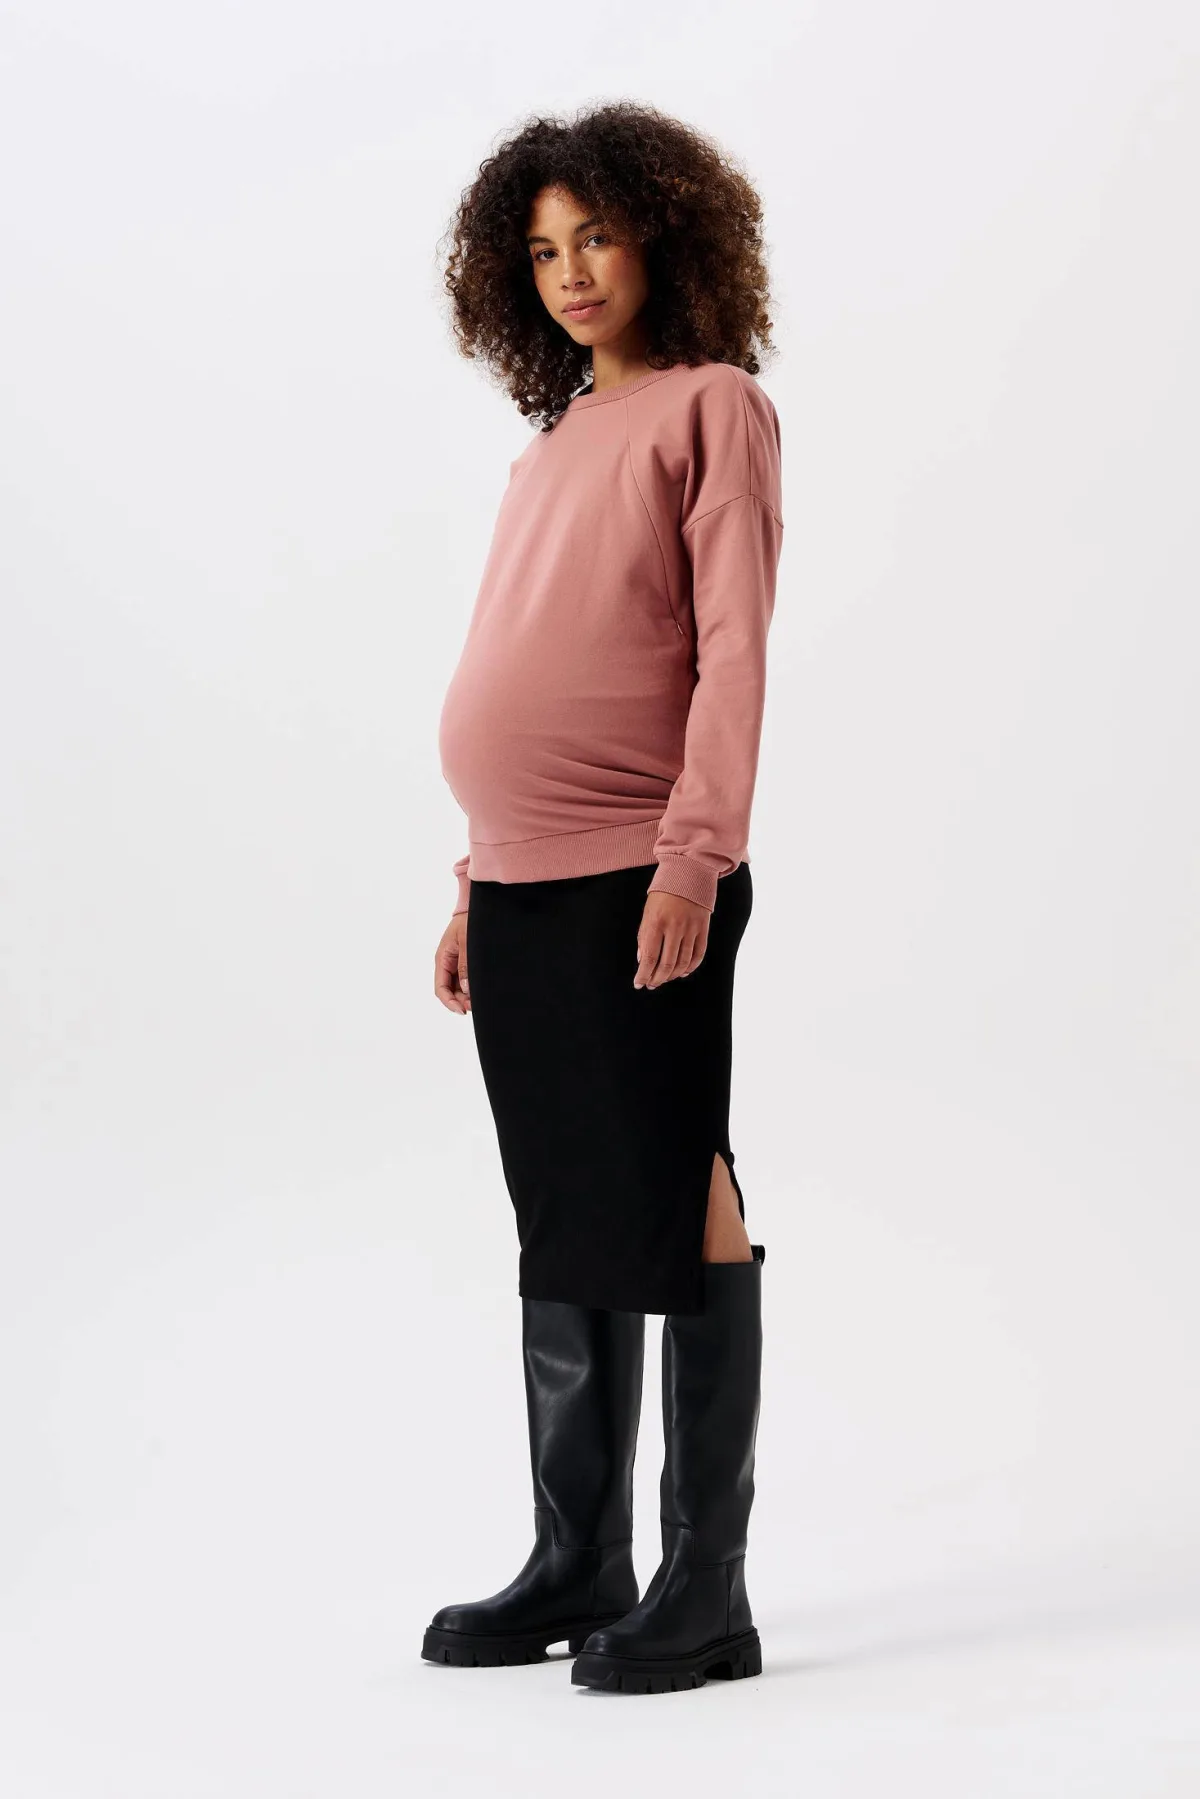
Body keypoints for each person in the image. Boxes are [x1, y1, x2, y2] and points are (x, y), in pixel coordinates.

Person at [424, 100, 785, 1695]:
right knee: (564, 1203)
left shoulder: (716, 410)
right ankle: (580, 1556)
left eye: (599, 236)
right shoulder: (555, 439)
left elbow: (732, 653)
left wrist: (696, 855)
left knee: (676, 1177)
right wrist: (472, 873)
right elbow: (519, 650)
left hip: (646, 863)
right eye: (543, 249)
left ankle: (709, 1585)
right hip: (519, 877)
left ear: (664, 236)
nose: (572, 270)